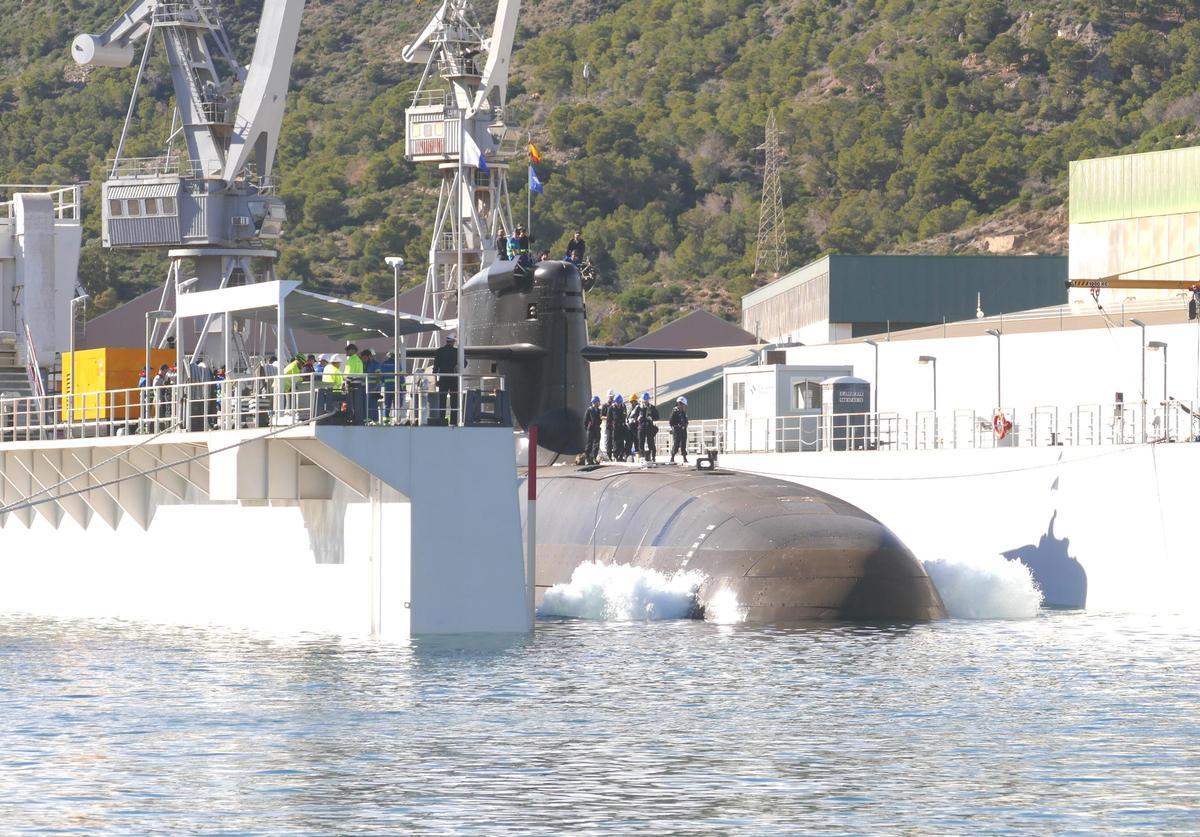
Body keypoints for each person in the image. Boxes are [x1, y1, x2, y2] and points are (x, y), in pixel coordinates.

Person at [433, 333, 459, 425]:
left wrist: (436, 381)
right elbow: (464, 364)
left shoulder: (439, 351)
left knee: (442, 401)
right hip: (453, 380)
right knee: (454, 401)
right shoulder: (457, 352)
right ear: (453, 341)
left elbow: (435, 368)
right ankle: (453, 422)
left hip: (443, 379)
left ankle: (442, 421)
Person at [637, 391, 660, 463]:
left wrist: (652, 418)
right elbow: (633, 416)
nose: (645, 401)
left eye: (646, 400)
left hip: (649, 427)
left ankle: (653, 457)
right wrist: (637, 418)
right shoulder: (639, 408)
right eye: (644, 400)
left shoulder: (652, 408)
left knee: (651, 443)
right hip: (641, 427)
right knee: (641, 442)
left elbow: (657, 417)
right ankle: (642, 457)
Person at [669, 396, 689, 463]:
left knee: (683, 444)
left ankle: (684, 458)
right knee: (676, 444)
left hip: (683, 430)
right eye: (683, 404)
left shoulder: (683, 412)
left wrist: (685, 424)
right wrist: (676, 426)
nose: (684, 406)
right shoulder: (674, 411)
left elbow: (686, 420)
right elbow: (671, 422)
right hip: (677, 430)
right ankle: (672, 457)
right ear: (679, 403)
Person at [583, 395, 602, 465]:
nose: (599, 403)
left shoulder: (599, 410)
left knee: (596, 444)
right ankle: (587, 458)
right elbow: (585, 421)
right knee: (589, 444)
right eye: (598, 402)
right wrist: (588, 428)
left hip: (597, 429)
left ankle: (594, 457)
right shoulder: (589, 410)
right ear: (595, 402)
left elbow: (600, 420)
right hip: (591, 430)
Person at [601, 389, 616, 460]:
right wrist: (608, 418)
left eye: (612, 396)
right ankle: (609, 456)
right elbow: (601, 416)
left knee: (615, 441)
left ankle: (615, 456)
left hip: (615, 426)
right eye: (610, 396)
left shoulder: (616, 405)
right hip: (608, 426)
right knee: (609, 441)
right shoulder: (605, 405)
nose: (611, 398)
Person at [610, 394, 627, 461]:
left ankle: (621, 456)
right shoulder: (612, 408)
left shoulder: (623, 407)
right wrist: (611, 426)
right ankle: (615, 456)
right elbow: (609, 418)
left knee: (621, 442)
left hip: (622, 427)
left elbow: (624, 415)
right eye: (618, 403)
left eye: (620, 403)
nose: (619, 404)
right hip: (615, 427)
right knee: (616, 442)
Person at [626, 393, 641, 459]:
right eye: (630, 402)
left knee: (636, 442)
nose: (631, 403)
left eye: (632, 402)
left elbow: (638, 417)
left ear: (635, 401)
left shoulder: (638, 407)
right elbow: (628, 416)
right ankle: (628, 455)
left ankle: (638, 456)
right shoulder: (631, 408)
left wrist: (634, 420)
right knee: (629, 442)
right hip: (630, 428)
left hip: (635, 428)